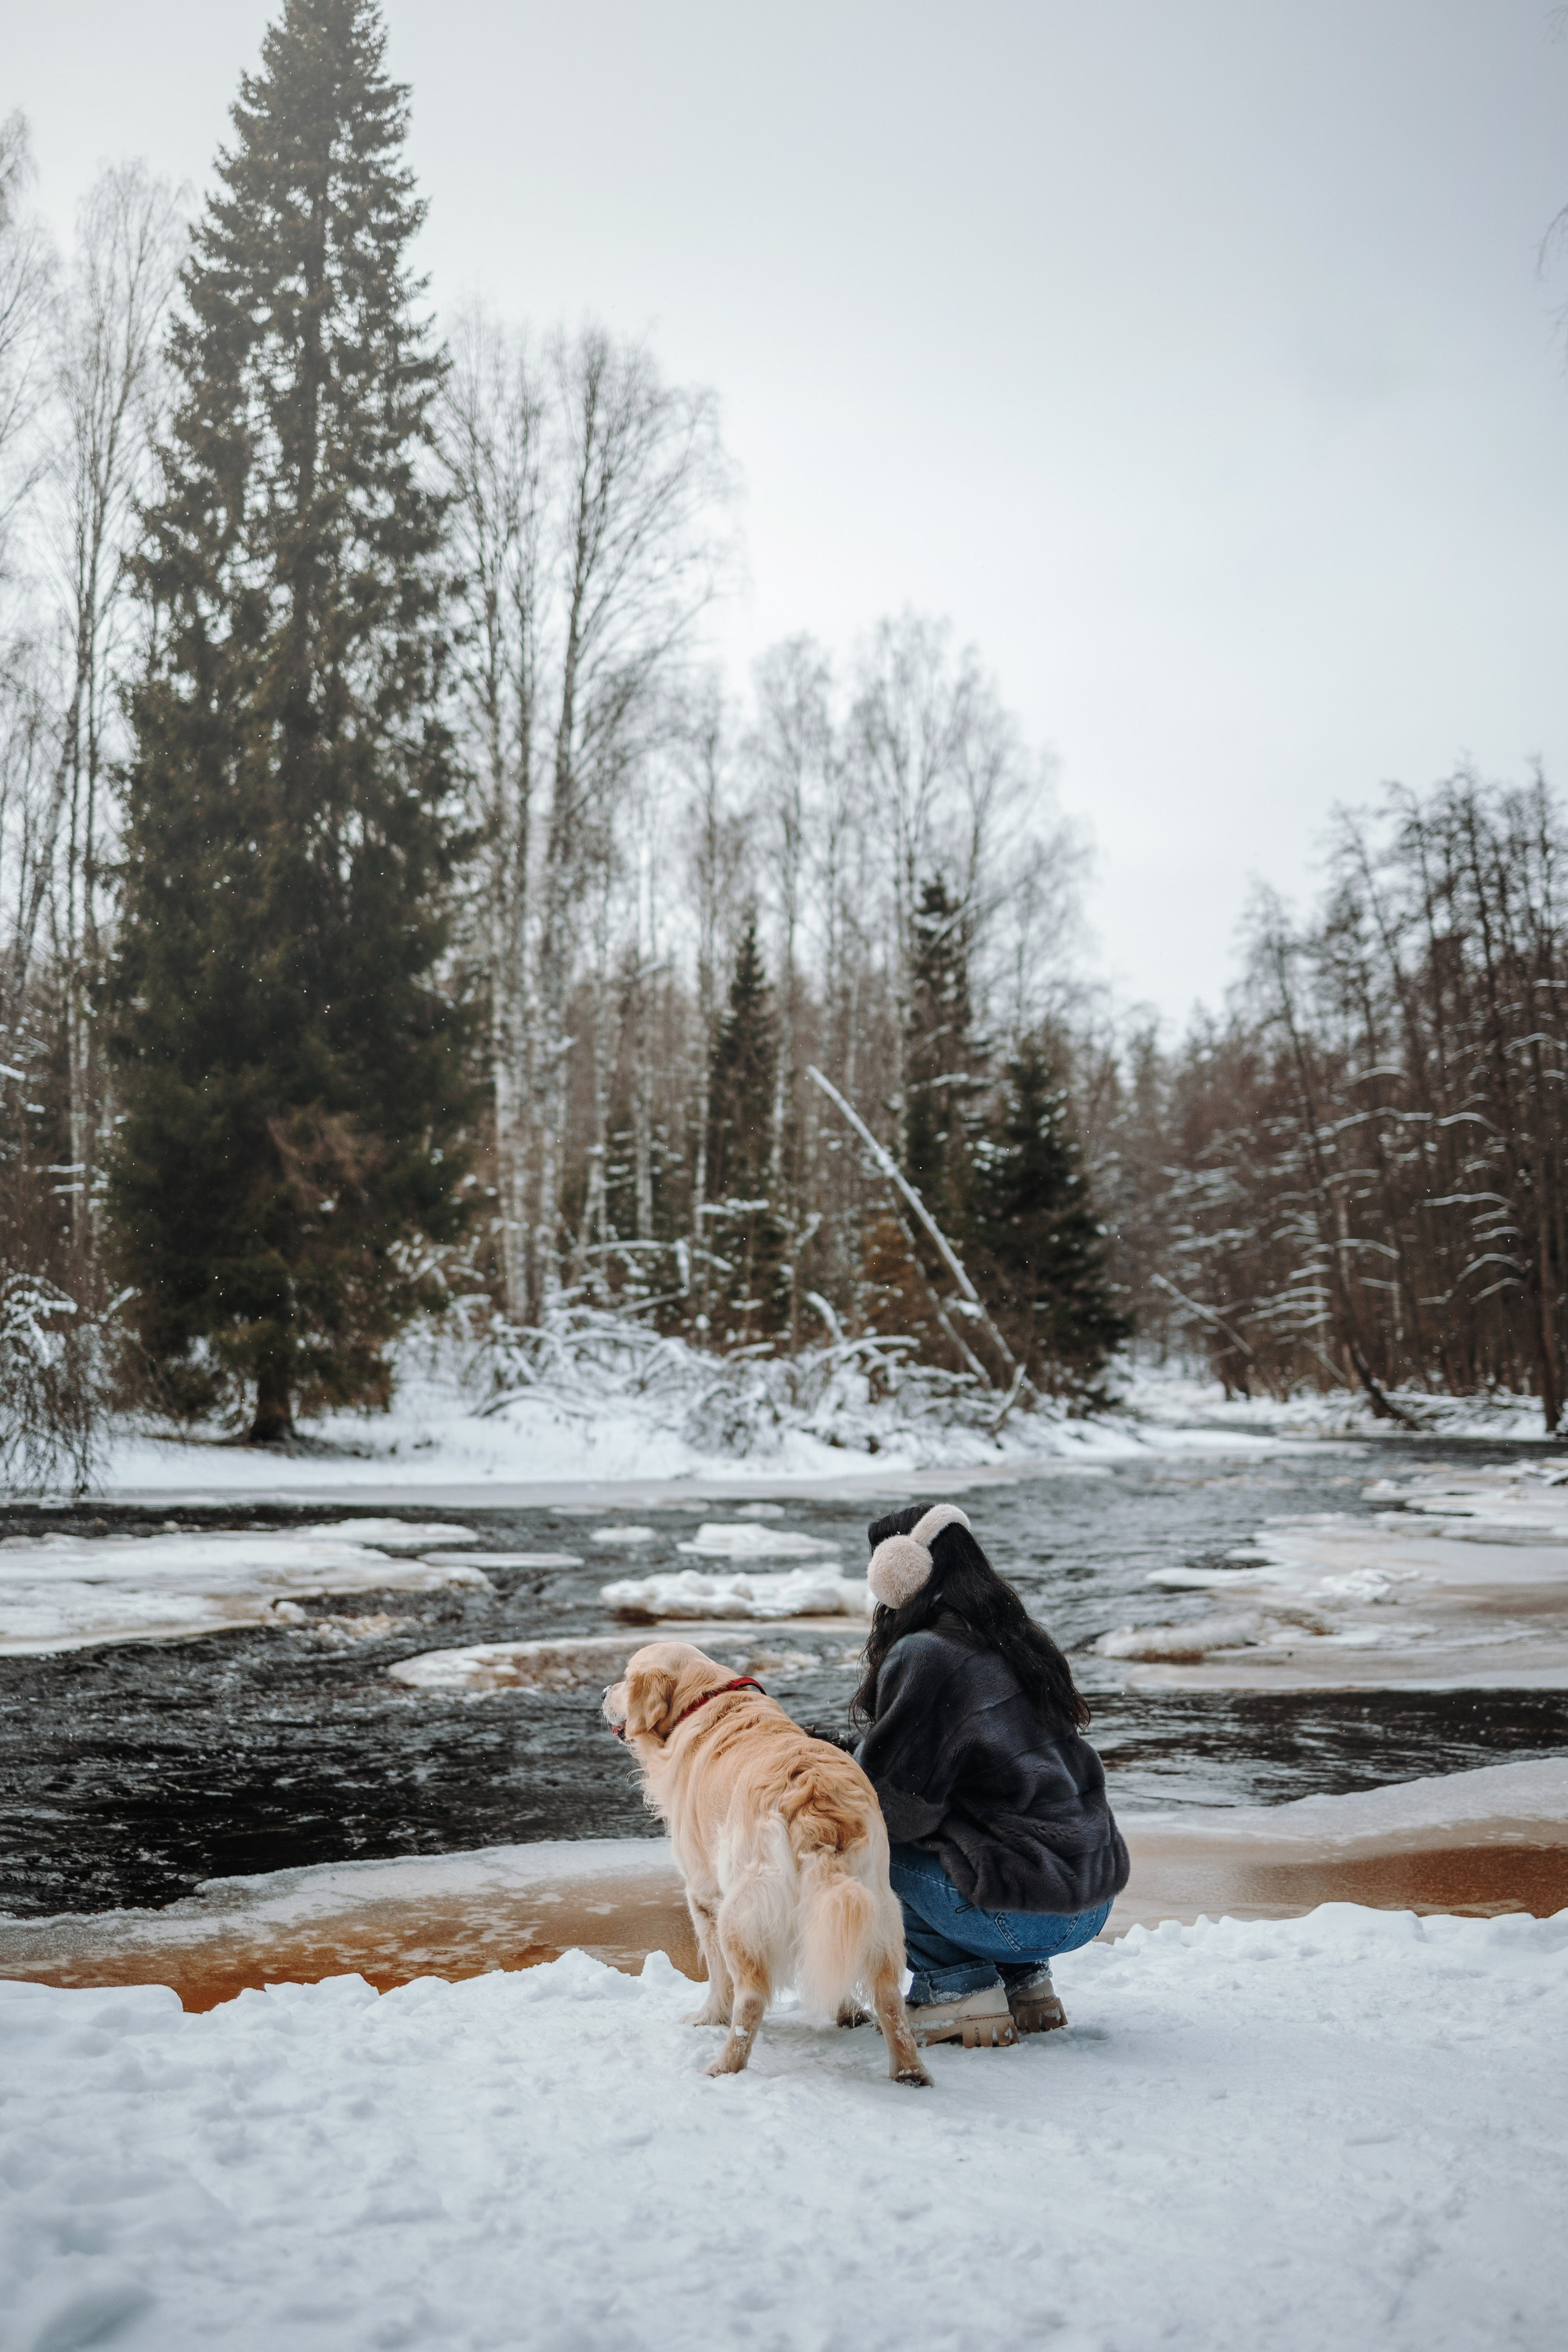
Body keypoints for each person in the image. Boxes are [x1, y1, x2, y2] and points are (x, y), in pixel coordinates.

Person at [848, 1501, 1128, 2049]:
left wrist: (833, 1766)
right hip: (1087, 1902)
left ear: (898, 1570)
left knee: (860, 1846)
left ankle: (956, 1991)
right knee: (979, 1831)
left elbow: (894, 1807)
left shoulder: (926, 1653)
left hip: (1016, 1914)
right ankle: (1024, 1985)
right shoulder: (1021, 1640)